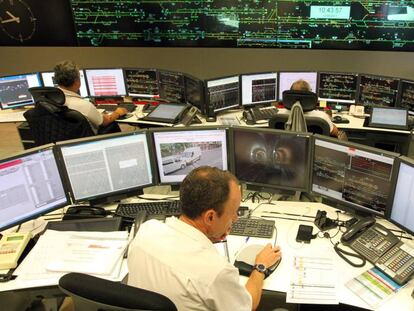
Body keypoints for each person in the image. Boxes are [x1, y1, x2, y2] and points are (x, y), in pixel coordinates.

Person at [127, 166, 281, 310]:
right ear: (210, 217)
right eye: (234, 211)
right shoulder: (217, 272)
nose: (236, 218)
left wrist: (208, 233)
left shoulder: (146, 231)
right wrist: (260, 267)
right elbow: (248, 305)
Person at [53, 60, 127, 134]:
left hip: (62, 139)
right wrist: (117, 113)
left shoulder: (50, 100)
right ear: (76, 81)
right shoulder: (84, 105)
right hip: (89, 140)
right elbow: (105, 121)